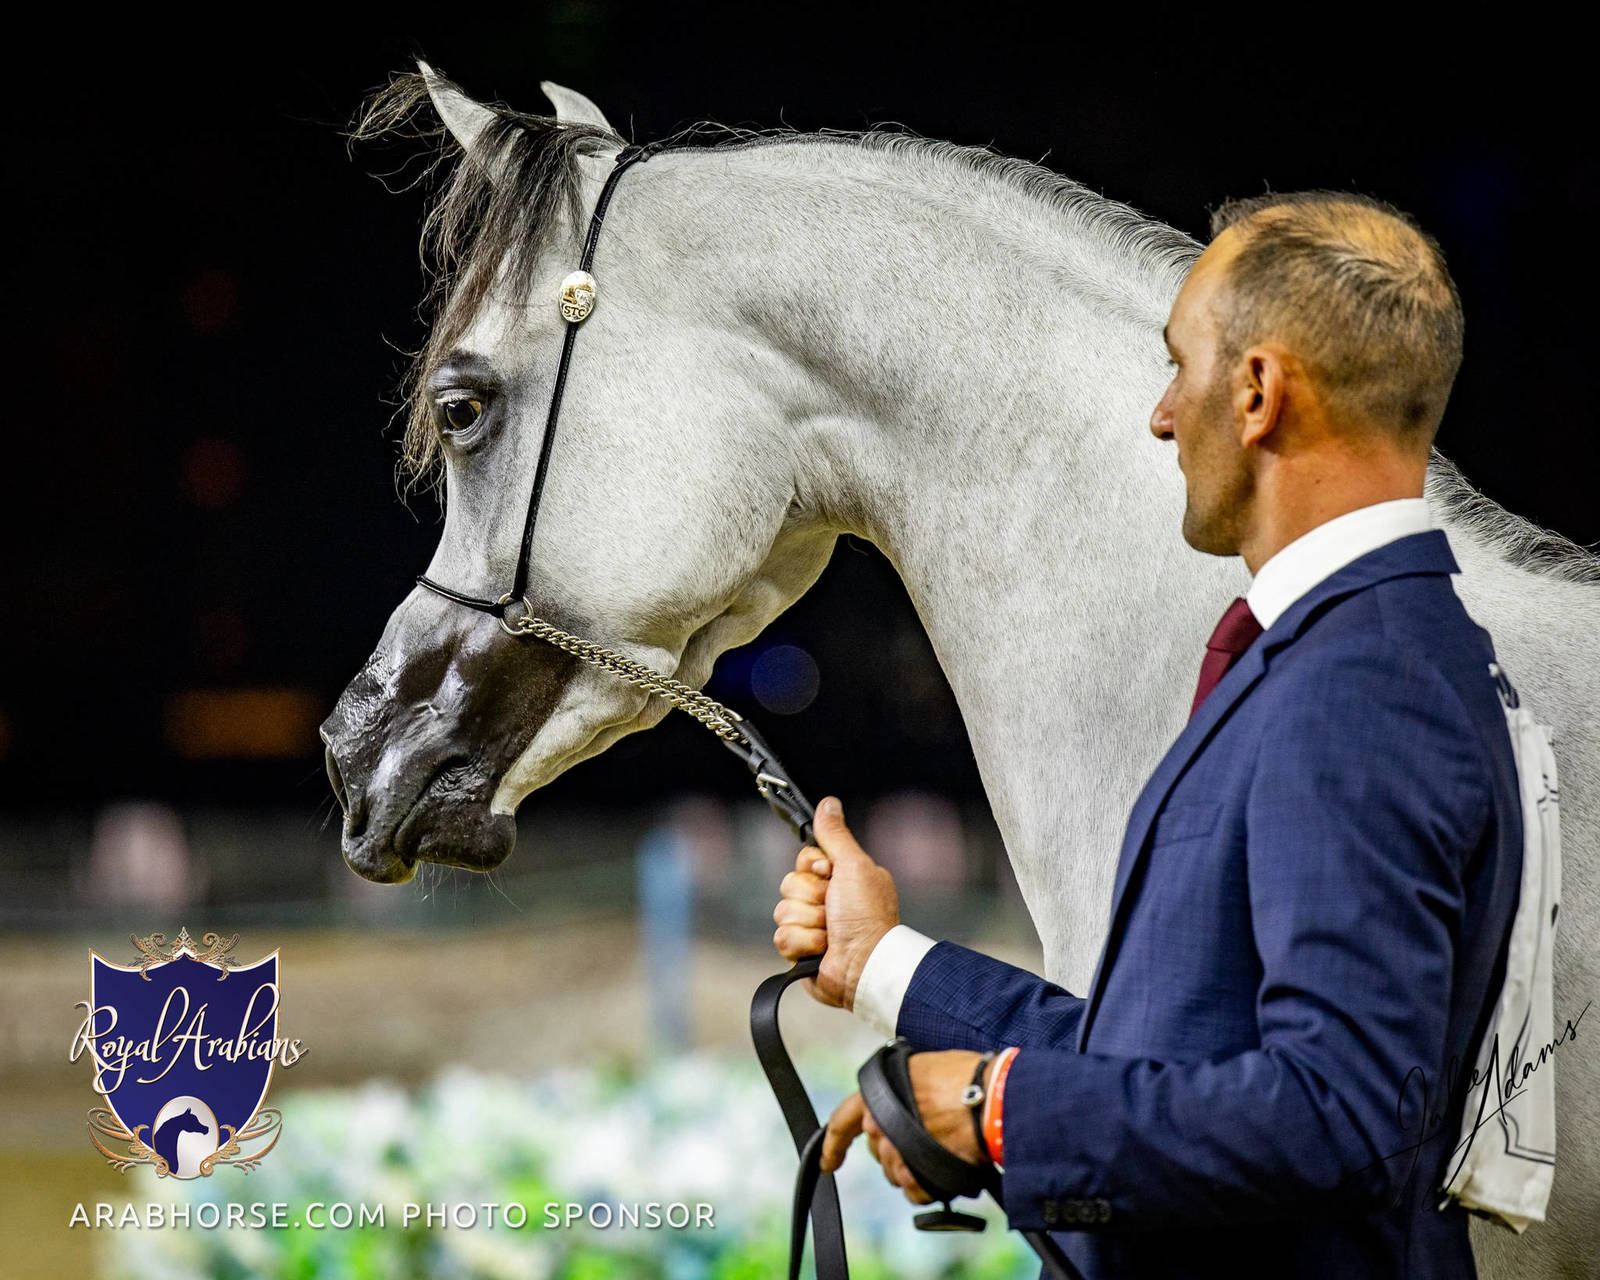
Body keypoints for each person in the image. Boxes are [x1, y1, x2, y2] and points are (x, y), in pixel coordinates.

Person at [772, 192, 1526, 1278]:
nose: (1163, 414)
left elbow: (1336, 1109)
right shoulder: (1370, 649)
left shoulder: (1364, 684)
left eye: (1179, 364)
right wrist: (880, 960)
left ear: (1258, 391)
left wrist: (993, 1105)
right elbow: (1172, 1053)